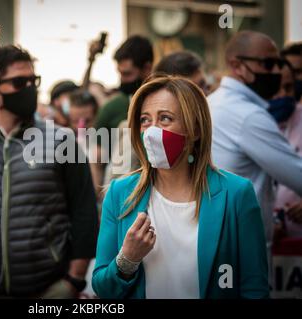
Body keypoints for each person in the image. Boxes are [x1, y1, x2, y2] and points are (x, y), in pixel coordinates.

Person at [92, 75, 269, 299]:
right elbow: (103, 289)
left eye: (165, 118)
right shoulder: (120, 193)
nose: (152, 130)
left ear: (195, 129)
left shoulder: (236, 193)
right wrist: (127, 259)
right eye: (145, 120)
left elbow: (254, 287)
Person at [0, 45, 99, 298]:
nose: (29, 88)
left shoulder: (62, 140)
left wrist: (73, 281)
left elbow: (84, 212)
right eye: (19, 82)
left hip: (48, 288)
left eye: (33, 80)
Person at [208, 31, 302, 256]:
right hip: (242, 250)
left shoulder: (211, 103)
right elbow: (297, 175)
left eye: (279, 64)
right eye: (268, 64)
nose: (277, 71)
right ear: (237, 65)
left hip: (216, 241)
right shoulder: (248, 115)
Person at [104, 50, 209, 184]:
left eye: (204, 85)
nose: (204, 94)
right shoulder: (134, 132)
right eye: (194, 89)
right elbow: (115, 185)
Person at [93, 35, 154, 197]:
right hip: (121, 194)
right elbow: (97, 159)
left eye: (128, 74)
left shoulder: (165, 102)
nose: (122, 80)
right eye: (120, 74)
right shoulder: (112, 108)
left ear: (147, 68)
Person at [273, 43, 302, 238]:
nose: (283, 94)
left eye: (289, 87)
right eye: (277, 88)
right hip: (268, 240)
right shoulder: (248, 124)